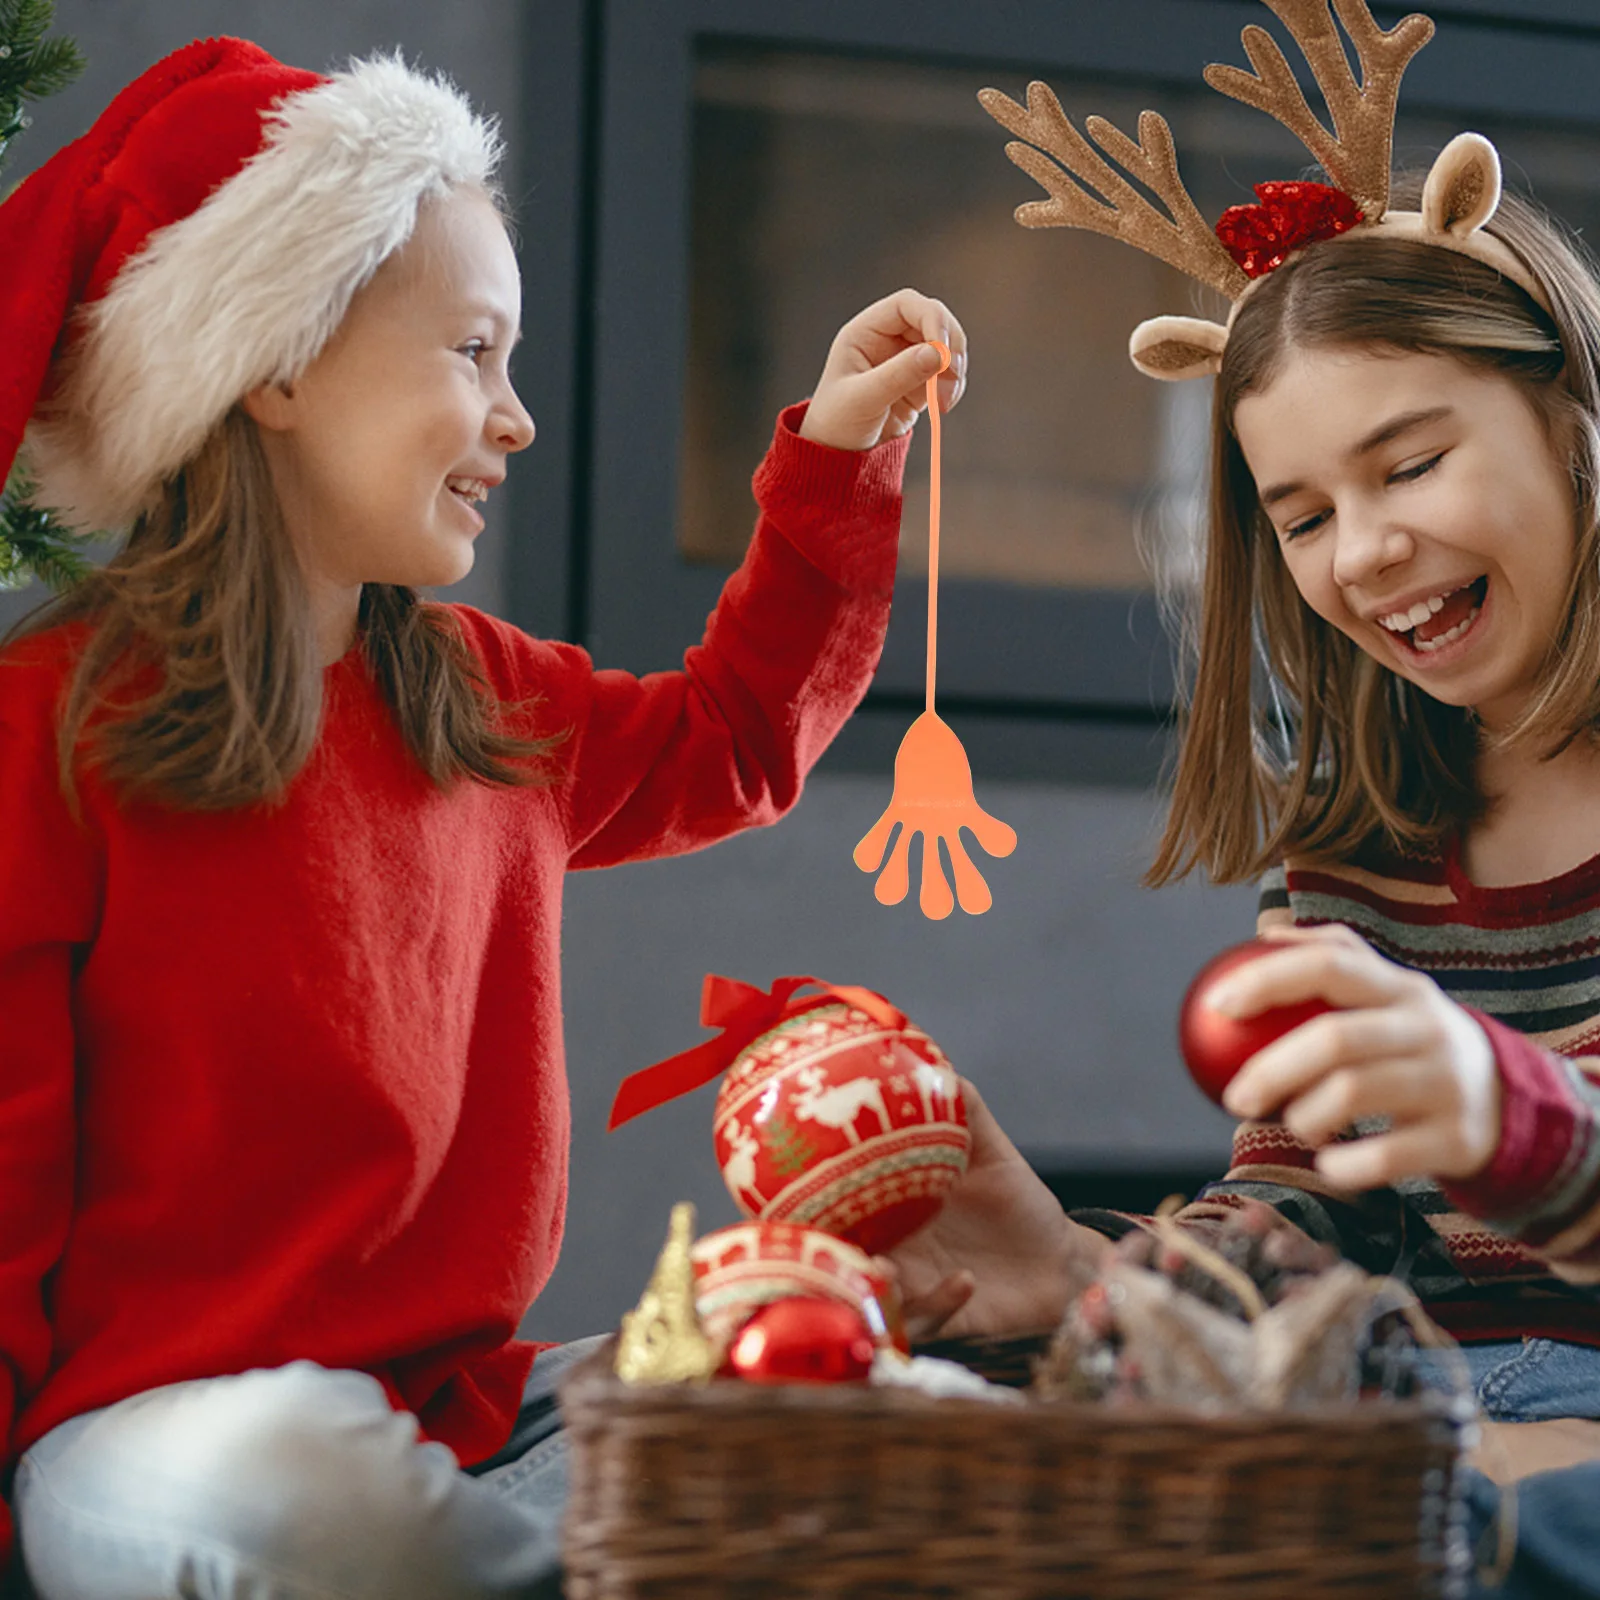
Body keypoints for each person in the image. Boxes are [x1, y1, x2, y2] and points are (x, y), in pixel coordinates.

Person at [0, 35, 965, 1600]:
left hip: (462, 1416)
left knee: (862, 1378)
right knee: (300, 1484)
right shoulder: (42, 734)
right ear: (282, 362)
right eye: (472, 353)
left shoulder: (483, 702)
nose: (515, 421)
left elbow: (733, 737)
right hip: (143, 1445)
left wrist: (842, 453)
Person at [889, 18, 1600, 1595]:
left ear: (1567, 422)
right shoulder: (1358, 851)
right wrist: (1087, 1272)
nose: (1360, 554)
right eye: (1303, 515)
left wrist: (1508, 1118)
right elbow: (1304, 1212)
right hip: (1416, 1421)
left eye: (1409, 465)